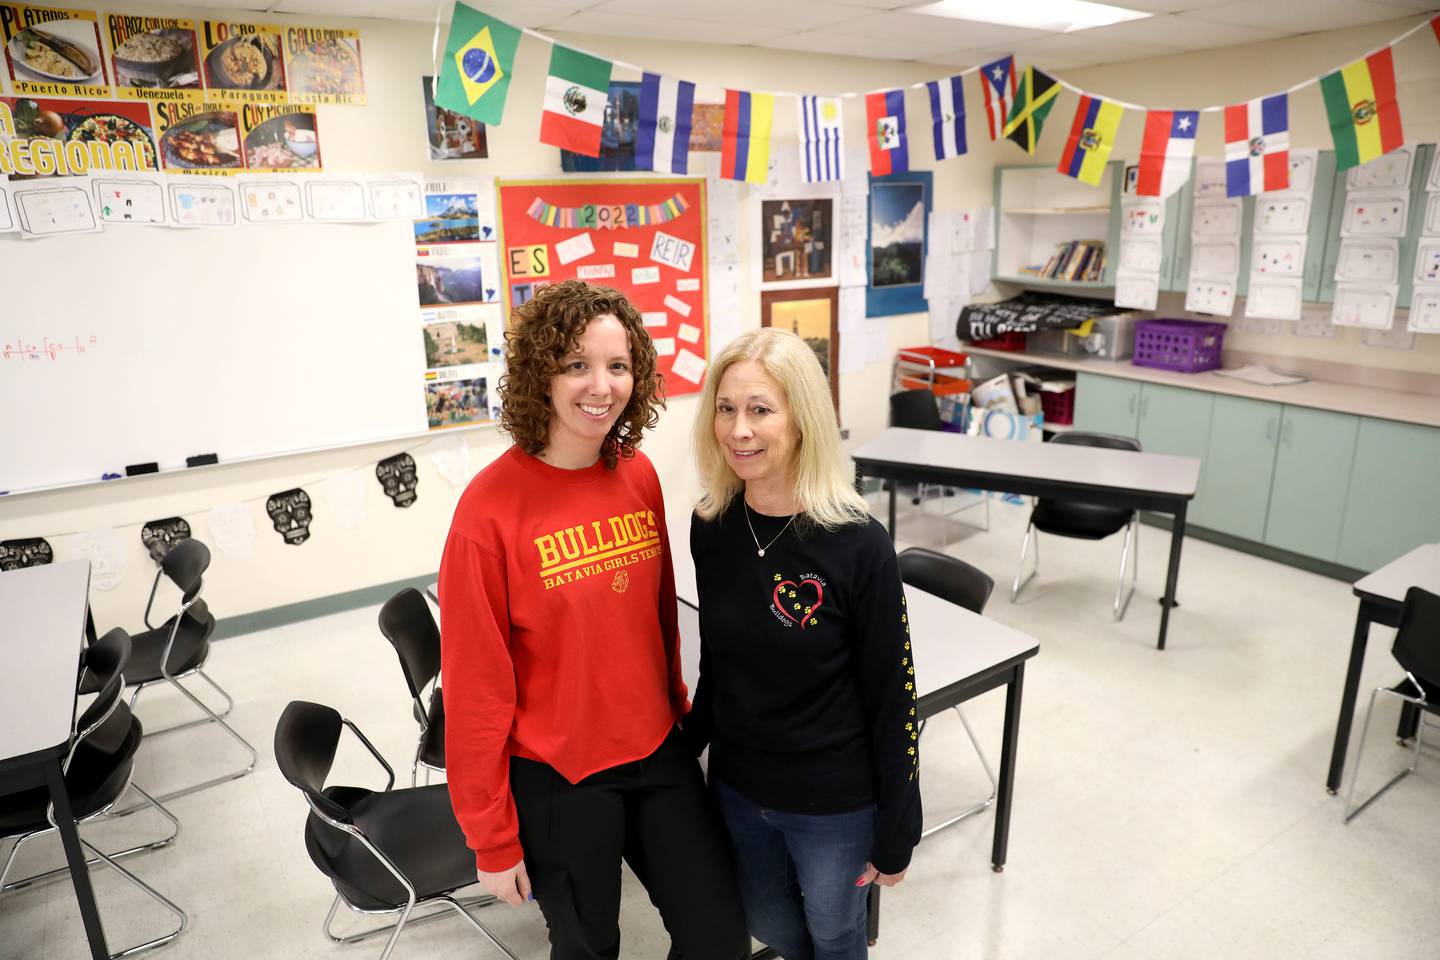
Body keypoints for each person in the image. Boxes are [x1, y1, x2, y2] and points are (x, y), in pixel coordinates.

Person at [438, 280, 749, 960]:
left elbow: (655, 616)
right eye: (576, 364)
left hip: (656, 747)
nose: (599, 386)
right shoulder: (487, 514)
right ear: (540, 374)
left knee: (720, 937)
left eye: (617, 365)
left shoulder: (635, 474)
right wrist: (491, 837)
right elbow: (475, 691)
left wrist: (674, 706)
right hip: (558, 773)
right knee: (589, 949)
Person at [686, 328, 921, 960]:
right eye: (726, 408)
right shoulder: (712, 525)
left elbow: (894, 697)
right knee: (769, 924)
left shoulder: (857, 543)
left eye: (760, 409)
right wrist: (686, 752)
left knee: (835, 933)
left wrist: (898, 824)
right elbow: (719, 658)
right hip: (738, 785)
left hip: (833, 801)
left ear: (802, 421)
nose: (739, 430)